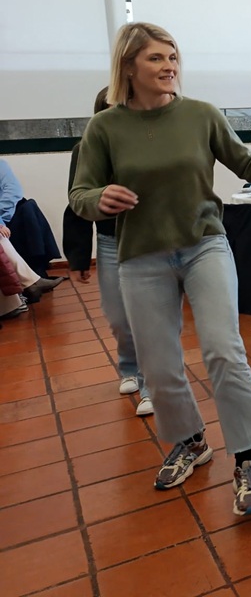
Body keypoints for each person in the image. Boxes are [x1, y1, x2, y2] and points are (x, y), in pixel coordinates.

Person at [69, 22, 251, 515]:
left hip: (204, 246)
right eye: (156, 58)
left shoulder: (201, 115)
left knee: (224, 351)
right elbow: (79, 195)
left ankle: (247, 460)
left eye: (172, 57)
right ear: (128, 67)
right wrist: (99, 198)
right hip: (141, 258)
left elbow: (246, 164)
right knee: (159, 367)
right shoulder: (104, 128)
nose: (169, 66)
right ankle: (190, 441)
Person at [63, 88, 152, 416]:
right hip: (111, 240)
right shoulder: (84, 150)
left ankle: (150, 384)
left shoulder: (149, 143)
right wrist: (77, 257)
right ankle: (129, 365)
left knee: (147, 315)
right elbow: (77, 201)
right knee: (117, 315)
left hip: (148, 240)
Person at [0, 160, 66, 301]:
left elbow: (13, 191)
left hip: (9, 215)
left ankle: (31, 282)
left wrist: (1, 219)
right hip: (4, 221)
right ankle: (31, 283)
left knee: (25, 211)